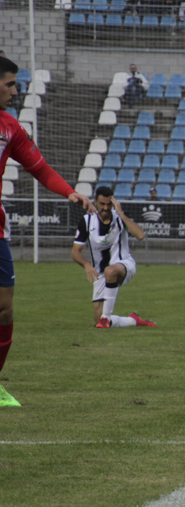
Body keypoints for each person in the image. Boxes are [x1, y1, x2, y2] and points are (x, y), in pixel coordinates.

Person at [0, 57, 95, 406]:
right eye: (9, 84)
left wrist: (68, 191)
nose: (15, 90)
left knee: (5, 310)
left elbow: (39, 168)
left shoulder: (10, 127)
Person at [71, 187, 155, 329]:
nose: (105, 208)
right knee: (98, 320)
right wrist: (86, 265)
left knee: (110, 271)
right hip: (100, 273)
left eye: (109, 204)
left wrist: (120, 213)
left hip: (124, 265)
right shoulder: (86, 221)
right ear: (95, 203)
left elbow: (140, 235)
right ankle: (133, 320)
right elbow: (75, 252)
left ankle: (105, 319)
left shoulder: (120, 217)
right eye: (102, 204)